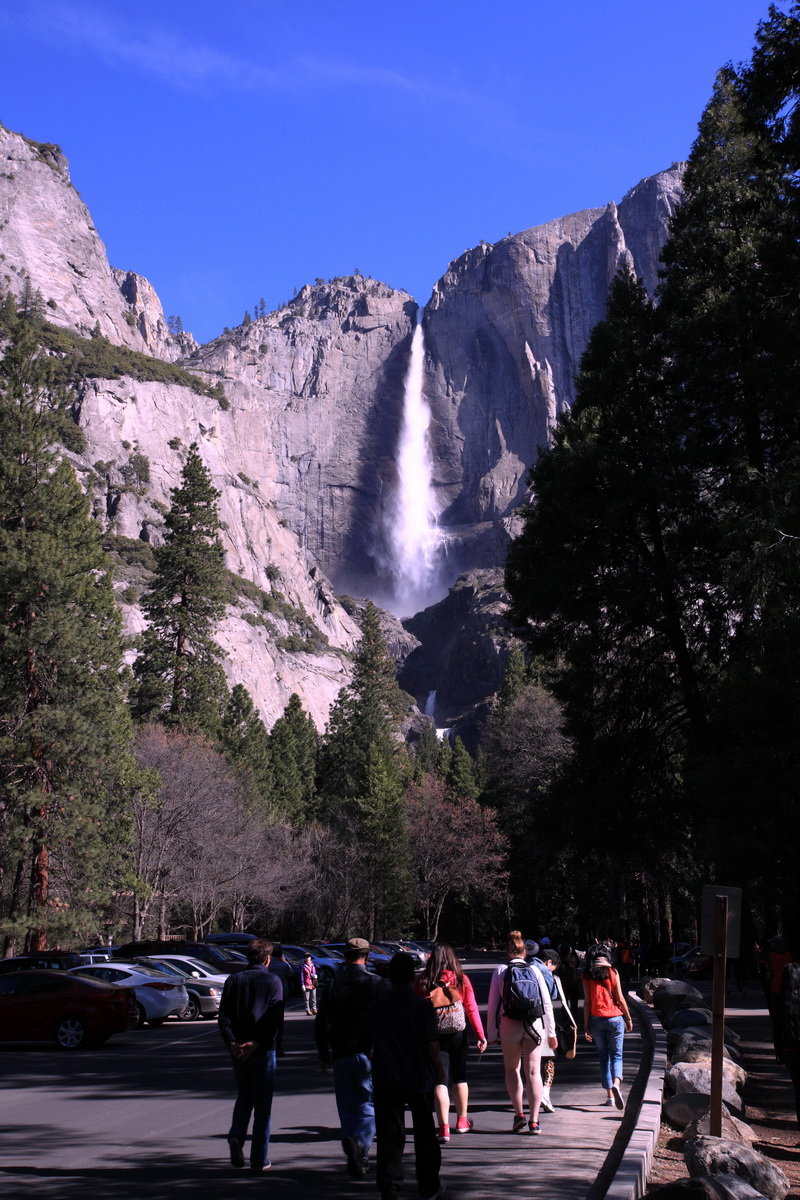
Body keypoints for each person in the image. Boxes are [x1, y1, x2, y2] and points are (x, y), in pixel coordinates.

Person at [368, 952, 445, 1200]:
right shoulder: (421, 1006)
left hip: (387, 1075)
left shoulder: (378, 1006)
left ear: (389, 977)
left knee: (390, 1134)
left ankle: (390, 1186)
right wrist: (439, 1070)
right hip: (418, 1075)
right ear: (412, 978)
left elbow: (366, 1040)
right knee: (424, 1132)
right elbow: (431, 1043)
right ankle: (429, 1185)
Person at [315, 936, 382, 1180]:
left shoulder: (334, 984)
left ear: (345, 956)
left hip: (340, 1052)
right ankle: (361, 1148)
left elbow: (321, 1022)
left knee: (347, 1105)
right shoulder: (376, 983)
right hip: (368, 1053)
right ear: (367, 956)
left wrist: (324, 1053)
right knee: (367, 1103)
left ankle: (350, 1138)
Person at [217, 938, 283, 1172]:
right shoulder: (272, 980)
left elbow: (223, 1016)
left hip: (238, 1050)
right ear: (267, 959)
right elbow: (274, 1019)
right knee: (263, 1105)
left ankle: (237, 1135)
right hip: (262, 1049)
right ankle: (259, 1159)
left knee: (244, 1096)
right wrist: (257, 1042)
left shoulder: (233, 980)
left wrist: (233, 1042)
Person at [415, 941, 487, 1142]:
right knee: (460, 1077)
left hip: (433, 1036)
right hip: (458, 1034)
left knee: (440, 1080)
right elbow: (471, 1009)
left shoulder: (423, 981)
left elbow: (415, 1011)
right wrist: (480, 1035)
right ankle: (462, 1121)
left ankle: (443, 1127)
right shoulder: (461, 980)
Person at [486, 930, 557, 1135]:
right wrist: (551, 1033)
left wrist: (491, 1033)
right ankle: (535, 1122)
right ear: (524, 951)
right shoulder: (535, 970)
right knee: (534, 1072)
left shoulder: (500, 971)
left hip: (509, 1024)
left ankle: (519, 1115)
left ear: (507, 950)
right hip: (533, 1025)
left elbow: (493, 1005)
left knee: (512, 1069)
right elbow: (546, 1003)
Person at [582, 953, 633, 1109]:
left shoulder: (586, 975)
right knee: (617, 1055)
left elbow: (587, 1002)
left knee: (604, 1058)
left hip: (596, 1019)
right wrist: (628, 1018)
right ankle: (617, 1083)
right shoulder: (612, 972)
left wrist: (586, 1025)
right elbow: (620, 997)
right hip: (615, 1019)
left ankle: (610, 1096)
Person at [267, 942, 293, 1055]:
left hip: (267, 997)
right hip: (280, 997)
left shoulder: (268, 965)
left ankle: (268, 1046)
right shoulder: (284, 965)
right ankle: (278, 1047)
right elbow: (291, 974)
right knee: (279, 1024)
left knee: (268, 1022)